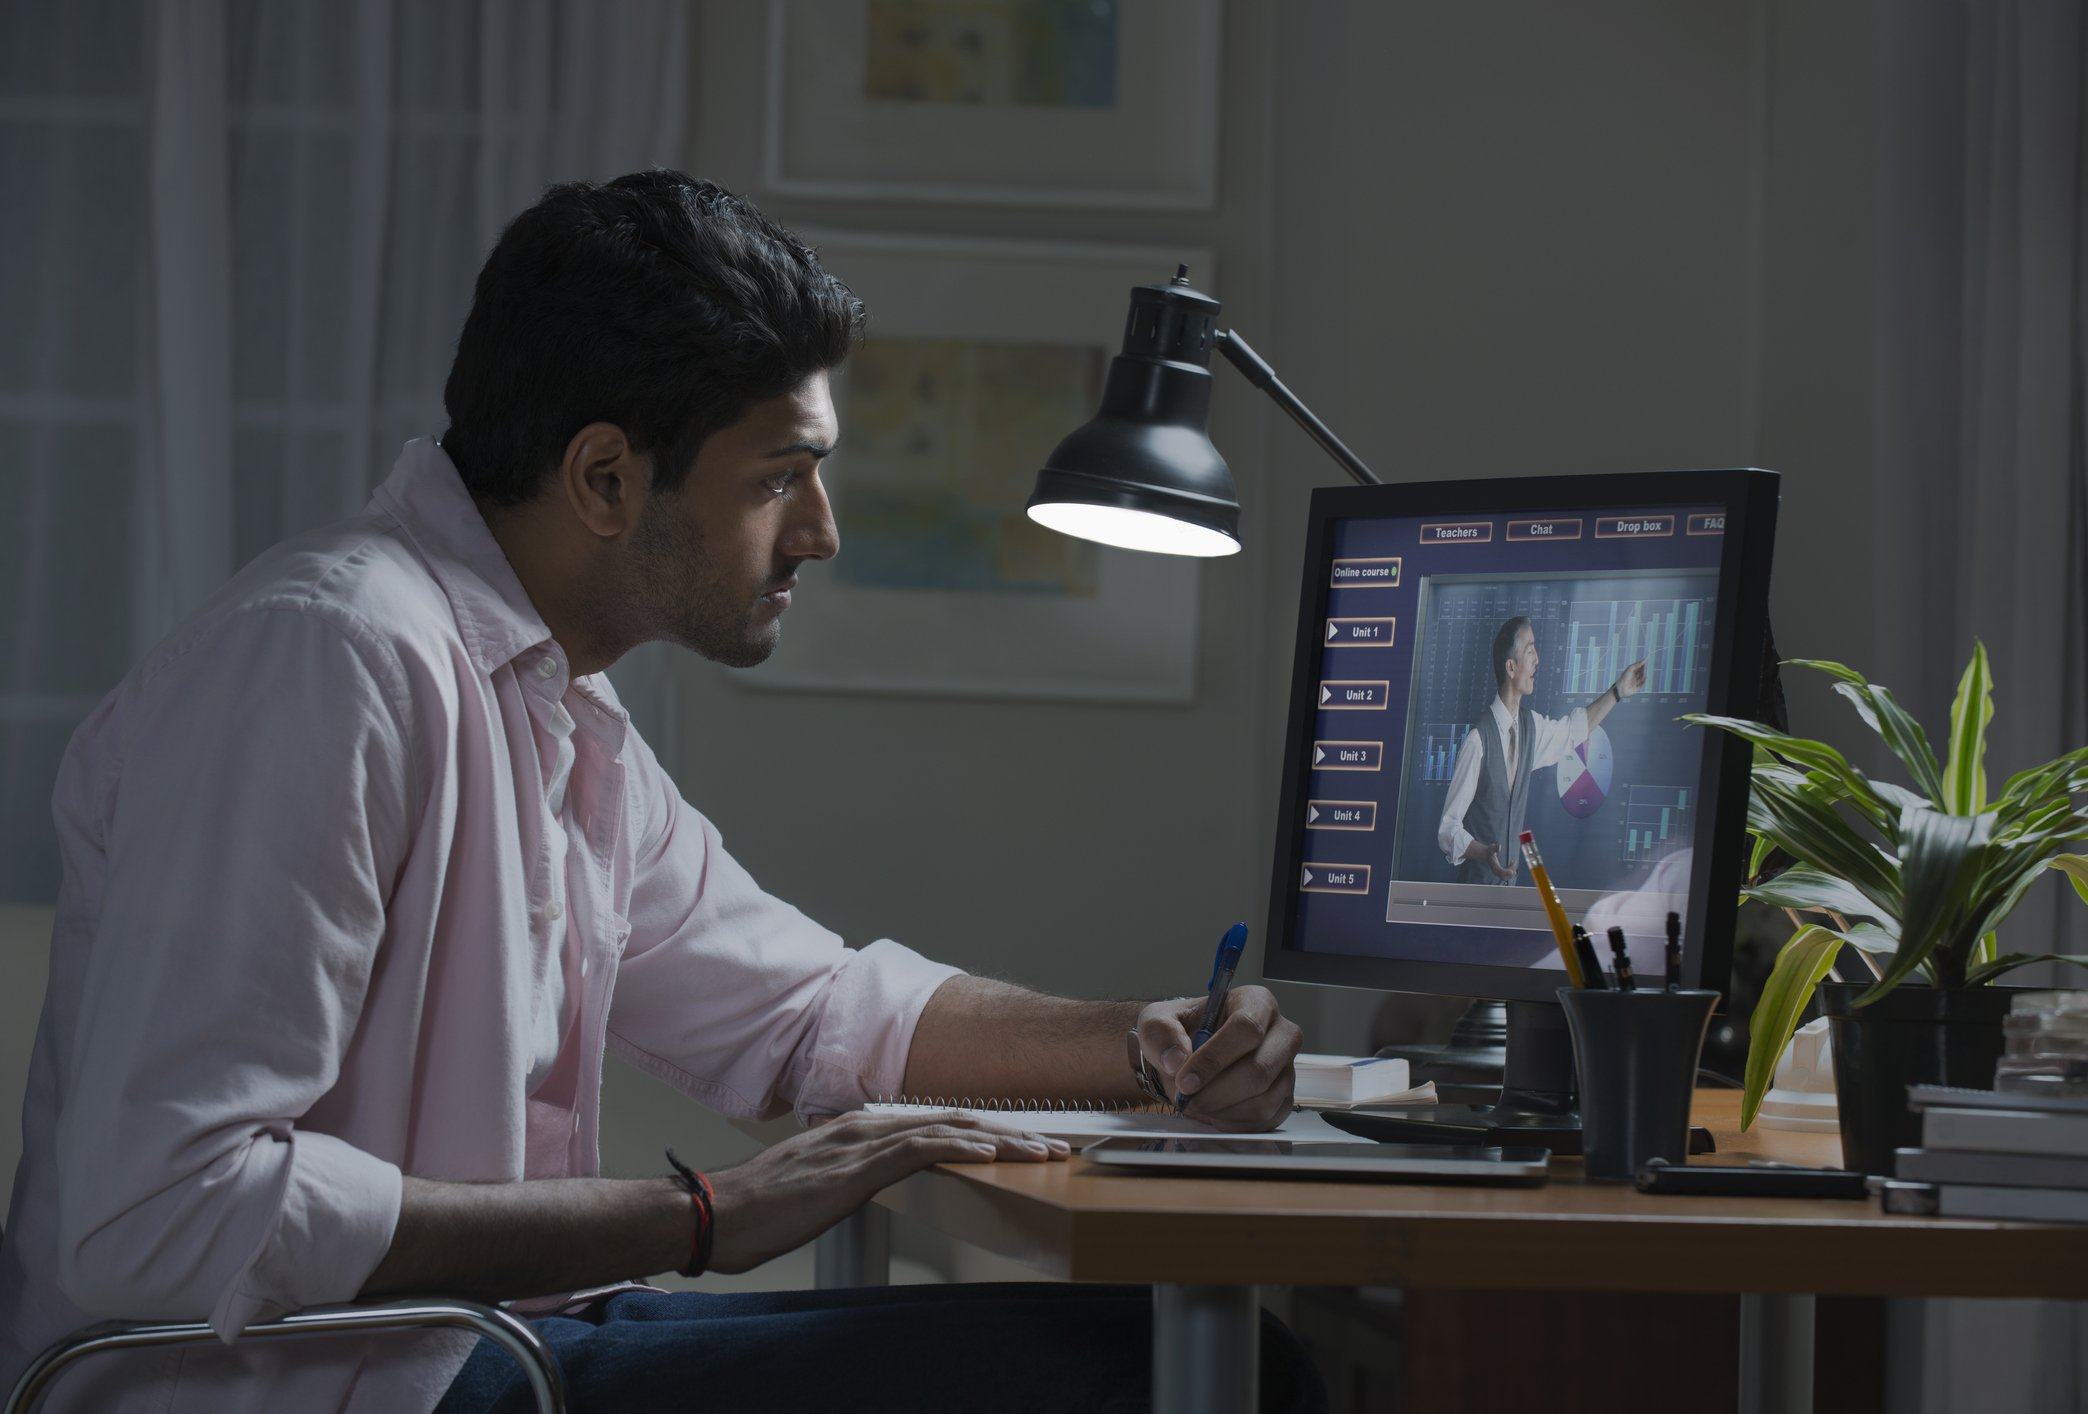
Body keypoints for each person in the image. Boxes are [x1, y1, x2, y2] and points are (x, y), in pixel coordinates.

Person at [0, 173, 1321, 1414]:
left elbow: (812, 1014)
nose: (820, 530)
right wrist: (701, 1215)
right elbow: (161, 1215)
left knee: (1180, 1357)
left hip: (455, 1348)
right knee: (1170, 1374)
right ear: (605, 477)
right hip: (298, 1386)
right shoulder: (331, 658)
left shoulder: (554, 707)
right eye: (777, 476)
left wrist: (1149, 1043)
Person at [1436, 615, 1646, 884]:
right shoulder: (1478, 741)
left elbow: (1573, 731)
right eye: (1530, 650)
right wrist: (1483, 852)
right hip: (1474, 895)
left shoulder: (1530, 728)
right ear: (1511, 667)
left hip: (1507, 898)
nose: (1537, 660)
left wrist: (1618, 691)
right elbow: (1447, 829)